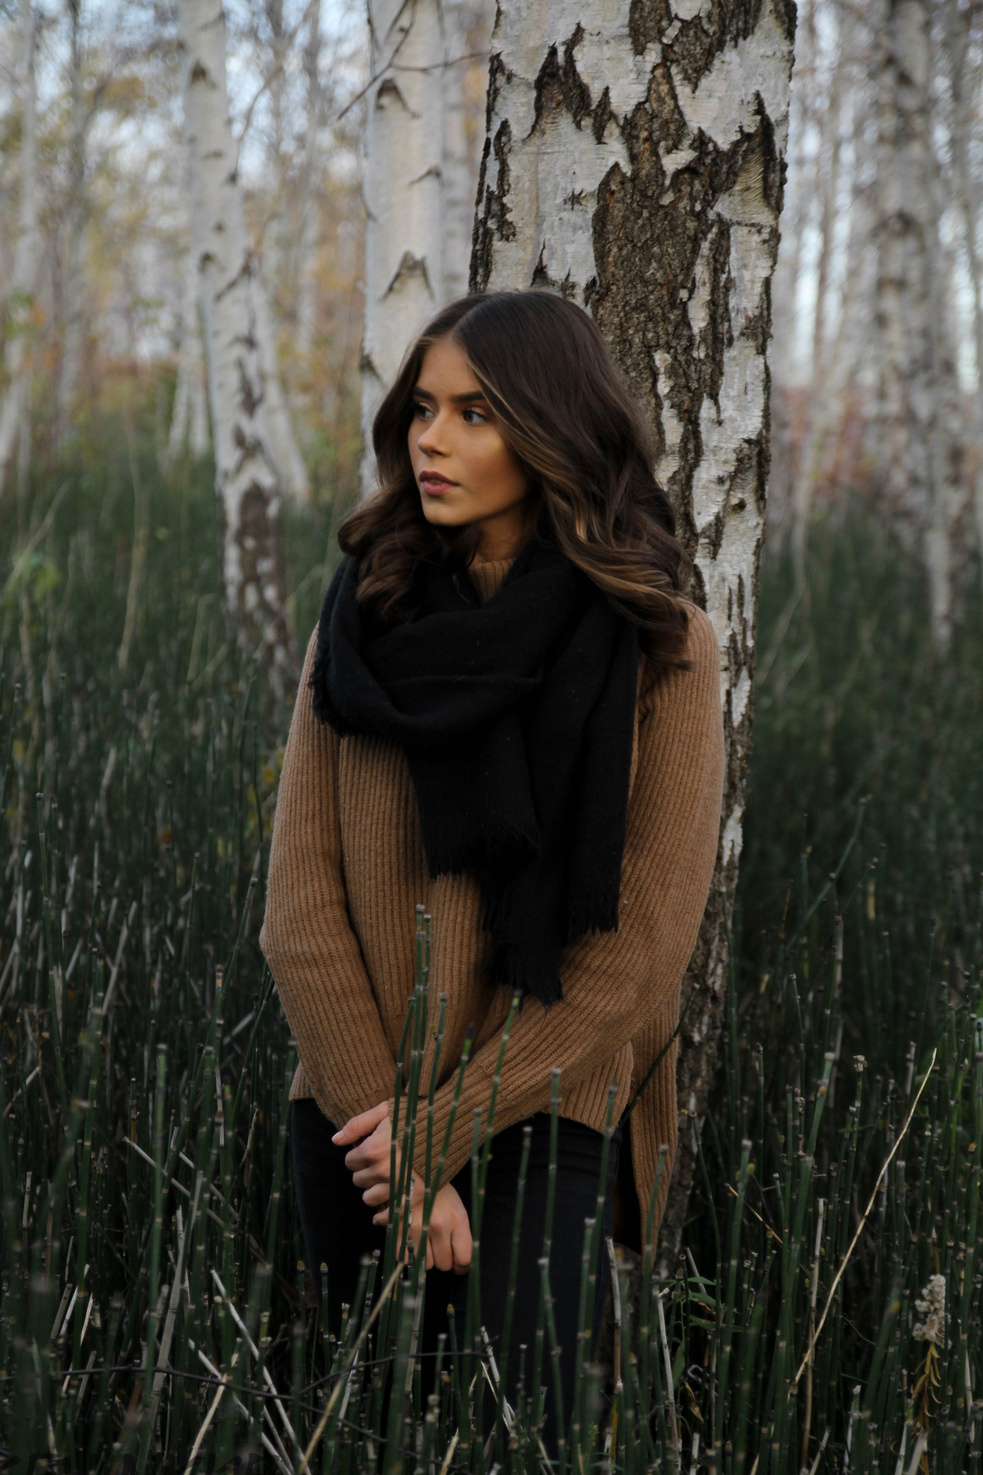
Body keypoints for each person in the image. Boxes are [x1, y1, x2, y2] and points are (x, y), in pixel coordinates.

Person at [259, 289, 724, 1444]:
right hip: (356, 1114)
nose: (430, 437)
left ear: (552, 426)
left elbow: (638, 951)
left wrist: (443, 1131)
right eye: (421, 407)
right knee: (350, 1431)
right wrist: (393, 1147)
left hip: (545, 1112)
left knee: (524, 1436)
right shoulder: (361, 619)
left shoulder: (659, 642)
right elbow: (298, 909)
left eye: (474, 412)